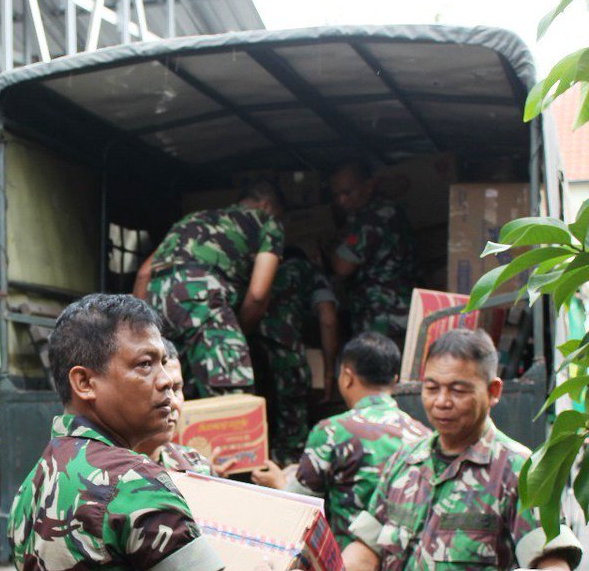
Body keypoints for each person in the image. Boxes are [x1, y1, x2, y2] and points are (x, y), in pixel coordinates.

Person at [9, 293, 309, 571]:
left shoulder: (35, 483)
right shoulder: (133, 483)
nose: (166, 380)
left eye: (164, 363)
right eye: (144, 365)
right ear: (85, 383)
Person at [341, 329, 583, 571]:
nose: (441, 402)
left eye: (458, 389)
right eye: (431, 387)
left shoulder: (518, 470)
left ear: (493, 391)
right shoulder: (405, 462)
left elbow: (551, 566)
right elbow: (367, 547)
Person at [289, 333, 428, 571]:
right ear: (395, 380)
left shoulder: (332, 432)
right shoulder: (424, 438)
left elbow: (298, 509)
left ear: (346, 376)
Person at [136, 179, 285, 398]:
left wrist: (142, 330)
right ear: (267, 205)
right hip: (199, 297)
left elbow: (144, 273)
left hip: (156, 300)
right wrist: (237, 334)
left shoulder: (192, 219)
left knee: (173, 391)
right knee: (232, 394)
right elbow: (257, 295)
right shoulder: (268, 222)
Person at [251, 247, 340, 464]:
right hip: (286, 350)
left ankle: (257, 468)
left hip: (250, 351)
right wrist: (329, 373)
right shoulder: (310, 271)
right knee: (292, 424)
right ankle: (286, 470)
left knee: (257, 414)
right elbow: (328, 318)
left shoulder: (257, 271)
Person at [328, 161, 417, 342]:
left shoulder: (372, 218)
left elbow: (342, 266)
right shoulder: (383, 210)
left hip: (385, 317)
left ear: (368, 186)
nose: (341, 201)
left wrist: (331, 248)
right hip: (399, 313)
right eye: (336, 195)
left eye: (347, 192)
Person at [143, 340, 214, 475]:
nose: (174, 403)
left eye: (176, 390)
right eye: (161, 390)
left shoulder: (197, 467)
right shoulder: (104, 474)